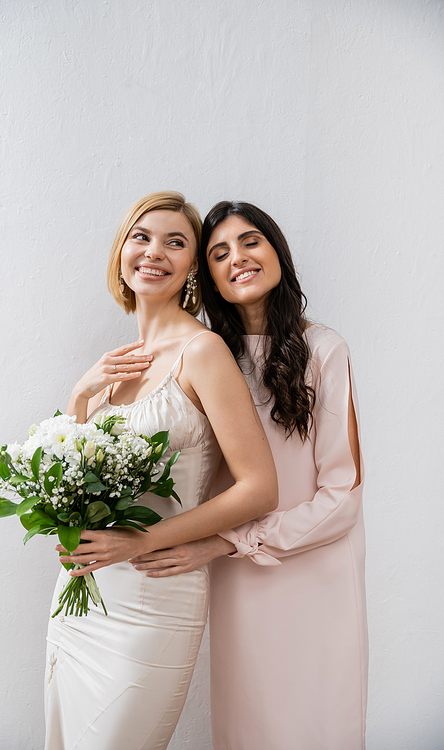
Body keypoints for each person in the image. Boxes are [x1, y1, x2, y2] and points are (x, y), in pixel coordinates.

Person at [44, 193, 278, 750]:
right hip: (79, 598)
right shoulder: (115, 362)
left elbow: (260, 488)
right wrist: (79, 396)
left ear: (193, 270)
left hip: (152, 597)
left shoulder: (203, 352)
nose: (154, 252)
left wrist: (136, 542)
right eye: (142, 237)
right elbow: (68, 477)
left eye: (176, 243)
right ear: (122, 250)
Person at [131, 201, 368, 750]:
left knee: (316, 724)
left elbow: (343, 497)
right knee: (248, 728)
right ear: (205, 275)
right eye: (219, 253)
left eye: (251, 242)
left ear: (277, 250)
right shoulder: (207, 356)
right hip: (235, 580)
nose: (237, 258)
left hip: (315, 573)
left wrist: (228, 542)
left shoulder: (325, 349)